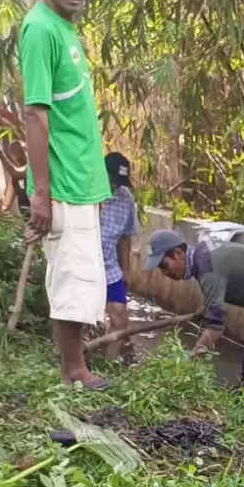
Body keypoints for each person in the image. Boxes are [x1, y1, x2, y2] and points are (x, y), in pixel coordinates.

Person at [18, 0, 111, 390]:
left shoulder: (64, 29)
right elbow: (35, 113)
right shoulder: (39, 29)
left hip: (81, 179)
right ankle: (74, 371)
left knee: (84, 276)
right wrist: (41, 191)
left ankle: (79, 365)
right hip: (64, 181)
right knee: (71, 278)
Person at [144, 230, 244, 442]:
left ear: (178, 254)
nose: (164, 273)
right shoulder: (202, 256)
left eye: (164, 266)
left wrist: (189, 360)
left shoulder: (208, 271)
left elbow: (216, 328)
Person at [99, 151, 137, 361]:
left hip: (109, 266)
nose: (115, 185)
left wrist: (126, 270)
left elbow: (125, 237)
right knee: (76, 318)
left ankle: (107, 366)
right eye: (113, 179)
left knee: (120, 317)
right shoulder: (87, 192)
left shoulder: (125, 198)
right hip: (83, 263)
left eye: (119, 181)